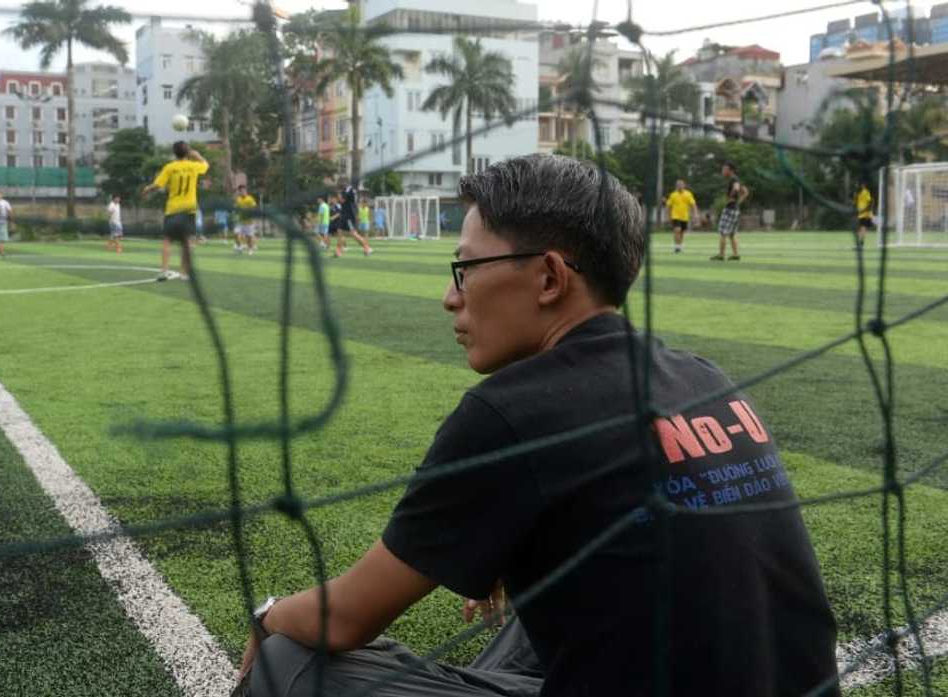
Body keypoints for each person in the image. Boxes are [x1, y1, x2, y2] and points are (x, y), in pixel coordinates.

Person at [238, 154, 838, 697]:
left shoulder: (509, 412)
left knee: (288, 659)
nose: (451, 297)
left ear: (550, 278)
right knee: (570, 577)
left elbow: (346, 618)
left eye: (465, 269)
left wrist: (267, 615)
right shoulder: (703, 377)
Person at [141, 140, 210, 280]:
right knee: (187, 242)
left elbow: (157, 185)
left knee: (167, 240)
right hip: (189, 209)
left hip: (173, 209)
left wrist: (146, 190)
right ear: (187, 152)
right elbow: (206, 165)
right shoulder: (193, 166)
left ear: (174, 153)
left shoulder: (170, 167)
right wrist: (198, 155)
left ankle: (164, 271)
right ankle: (184, 274)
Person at [712, 161, 748, 261]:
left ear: (730, 170)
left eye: (724, 169)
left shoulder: (733, 179)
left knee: (723, 232)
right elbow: (745, 192)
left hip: (730, 209)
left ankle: (721, 255)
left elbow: (736, 189)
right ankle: (735, 254)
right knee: (732, 234)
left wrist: (731, 199)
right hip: (735, 209)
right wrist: (738, 202)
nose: (722, 171)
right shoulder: (737, 179)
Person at [336, 178, 372, 257]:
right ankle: (338, 251)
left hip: (349, 215)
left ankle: (367, 247)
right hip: (345, 214)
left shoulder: (348, 190)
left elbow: (342, 200)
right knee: (340, 232)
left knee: (353, 234)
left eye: (340, 183)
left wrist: (337, 193)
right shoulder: (348, 190)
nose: (339, 184)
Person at [664, 179, 699, 254]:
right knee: (677, 230)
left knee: (682, 233)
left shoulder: (688, 194)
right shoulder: (673, 195)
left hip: (685, 217)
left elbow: (693, 205)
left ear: (684, 185)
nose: (680, 186)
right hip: (675, 216)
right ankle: (676, 247)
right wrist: (667, 216)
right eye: (678, 185)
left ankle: (680, 247)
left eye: (681, 184)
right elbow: (668, 206)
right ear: (676, 186)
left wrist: (695, 214)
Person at [233, 184, 259, 255]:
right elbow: (236, 208)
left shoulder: (250, 199)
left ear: (246, 191)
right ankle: (240, 247)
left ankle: (250, 249)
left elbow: (254, 208)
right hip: (240, 221)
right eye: (241, 191)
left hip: (249, 222)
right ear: (239, 192)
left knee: (249, 237)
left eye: (244, 190)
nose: (243, 192)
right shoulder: (238, 199)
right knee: (236, 233)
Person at [855, 181, 874, 248]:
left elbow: (870, 202)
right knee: (861, 229)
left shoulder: (866, 192)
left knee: (862, 229)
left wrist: (867, 211)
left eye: (858, 184)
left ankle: (860, 244)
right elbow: (857, 204)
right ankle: (860, 244)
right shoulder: (857, 193)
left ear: (863, 185)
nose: (857, 185)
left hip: (866, 214)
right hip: (860, 214)